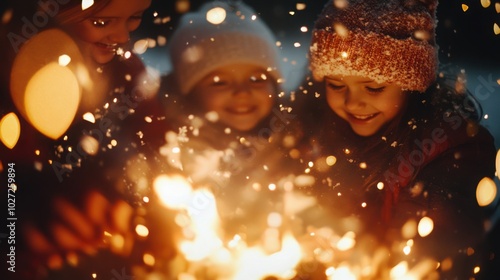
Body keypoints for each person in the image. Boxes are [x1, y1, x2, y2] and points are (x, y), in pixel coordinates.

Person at [294, 0, 498, 278]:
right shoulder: (318, 135)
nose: (353, 102)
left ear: (411, 86)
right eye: (336, 85)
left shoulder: (449, 148)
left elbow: (445, 239)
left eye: (374, 87)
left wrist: (382, 252)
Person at [0, 0, 165, 279]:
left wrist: (154, 207)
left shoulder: (126, 71)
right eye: (102, 23)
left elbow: (157, 144)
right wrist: (24, 218)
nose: (123, 37)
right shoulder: (13, 76)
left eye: (134, 18)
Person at [157, 0, 304, 253]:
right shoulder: (174, 148)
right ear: (190, 93)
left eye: (256, 79)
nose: (242, 92)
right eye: (219, 82)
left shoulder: (292, 139)